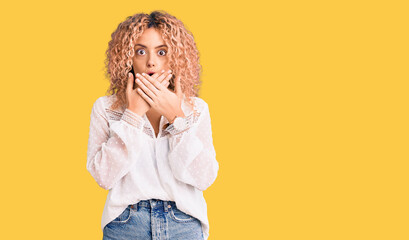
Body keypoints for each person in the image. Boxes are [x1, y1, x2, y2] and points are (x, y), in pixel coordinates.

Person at [86, 10, 219, 240]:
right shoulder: (106, 108)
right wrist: (132, 115)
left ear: (176, 56)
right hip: (125, 224)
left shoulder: (195, 108)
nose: (151, 61)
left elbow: (204, 178)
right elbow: (104, 177)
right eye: (140, 51)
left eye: (162, 51)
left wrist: (177, 117)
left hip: (184, 223)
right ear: (127, 57)